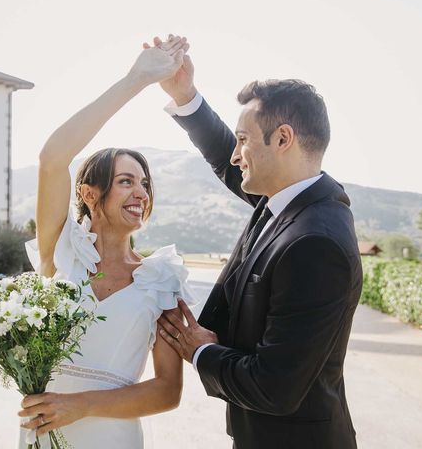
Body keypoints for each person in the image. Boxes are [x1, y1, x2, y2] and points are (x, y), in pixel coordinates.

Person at [153, 36, 362, 448]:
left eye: (244, 140)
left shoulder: (315, 244)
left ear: (283, 139)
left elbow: (274, 387)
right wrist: (185, 96)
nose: (236, 155)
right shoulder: (290, 202)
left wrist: (200, 351)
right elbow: (223, 158)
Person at [18, 37, 194, 448]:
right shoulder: (60, 253)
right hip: (43, 434)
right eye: (125, 181)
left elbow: (168, 391)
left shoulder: (161, 279)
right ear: (90, 193)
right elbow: (52, 158)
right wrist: (136, 79)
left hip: (113, 437)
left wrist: (80, 405)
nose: (141, 193)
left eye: (145, 183)